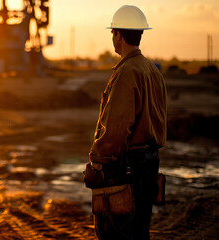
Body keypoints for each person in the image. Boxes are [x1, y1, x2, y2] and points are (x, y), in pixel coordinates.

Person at [83, 5, 167, 240]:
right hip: (149, 164)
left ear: (118, 35)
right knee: (139, 231)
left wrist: (98, 162)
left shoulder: (127, 72)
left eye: (113, 33)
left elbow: (116, 129)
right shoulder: (152, 70)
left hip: (125, 168)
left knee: (115, 232)